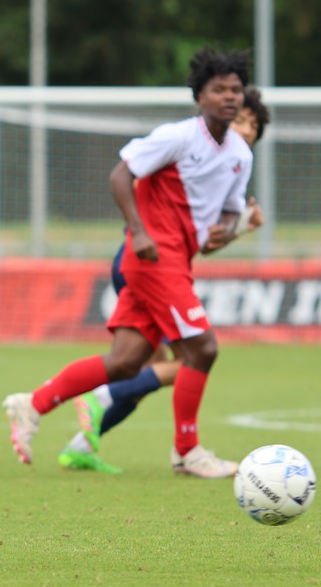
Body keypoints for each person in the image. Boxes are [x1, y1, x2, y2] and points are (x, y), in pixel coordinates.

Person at [3, 47, 254, 479]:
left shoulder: (240, 156)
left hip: (178, 261)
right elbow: (122, 174)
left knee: (125, 360)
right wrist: (137, 230)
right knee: (203, 348)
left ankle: (34, 403)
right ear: (200, 95)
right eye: (218, 89)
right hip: (155, 258)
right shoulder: (178, 137)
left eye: (235, 89)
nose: (229, 97)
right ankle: (186, 451)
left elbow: (230, 212)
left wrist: (228, 229)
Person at [59, 86, 271, 473]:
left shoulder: (230, 167)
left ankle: (82, 442)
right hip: (145, 264)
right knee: (190, 357)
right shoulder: (193, 148)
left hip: (155, 265)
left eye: (252, 126)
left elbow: (206, 242)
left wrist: (239, 227)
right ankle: (104, 400)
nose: (244, 128)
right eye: (240, 119)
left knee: (146, 368)